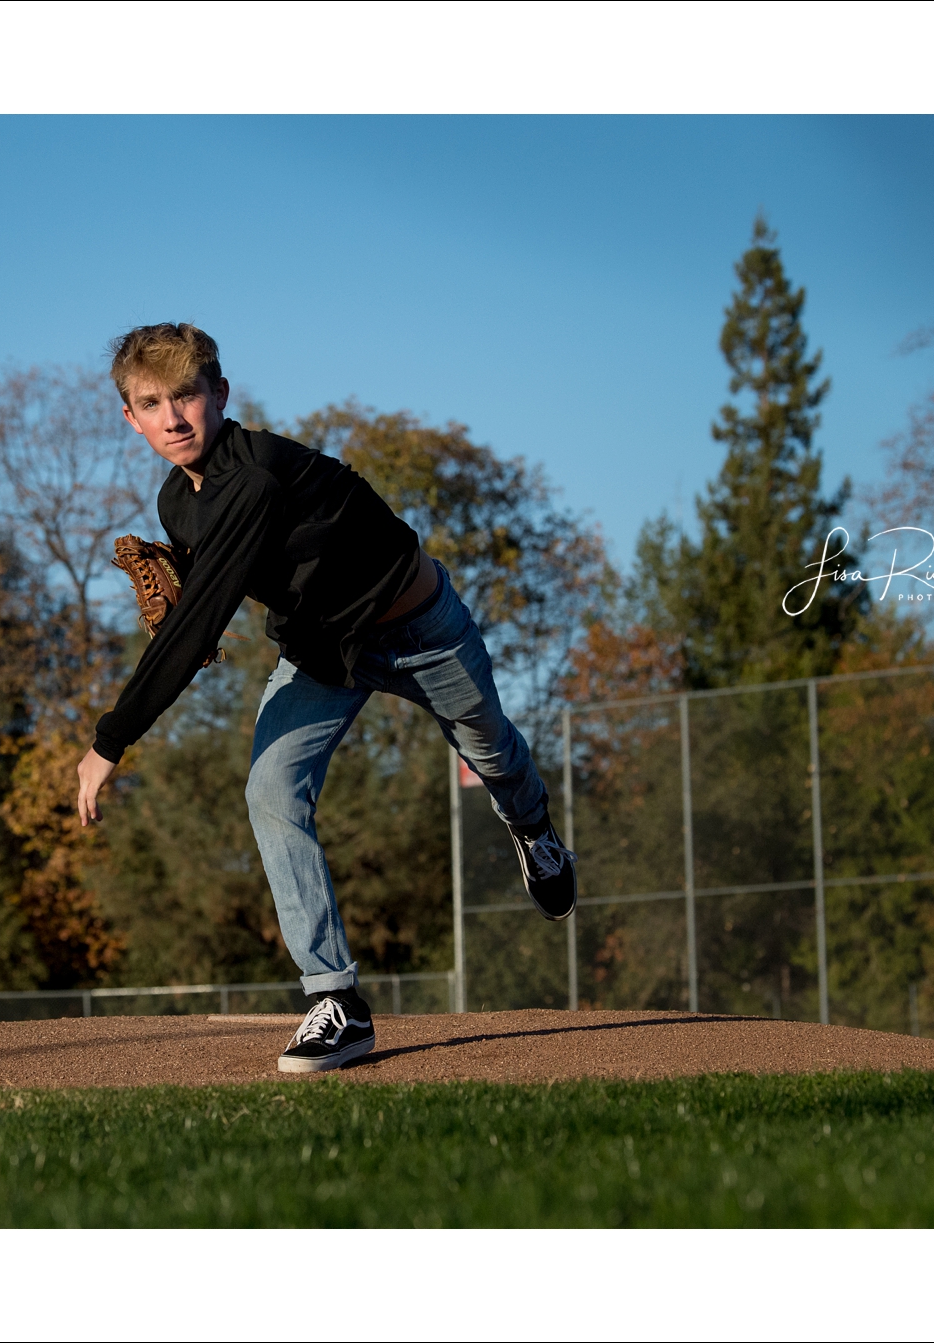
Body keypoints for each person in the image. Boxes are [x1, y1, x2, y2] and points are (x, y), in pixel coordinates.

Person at [76, 323, 575, 1072]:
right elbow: (212, 571)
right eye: (151, 402)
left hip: (421, 628)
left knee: (490, 748)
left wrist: (110, 737)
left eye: (186, 393)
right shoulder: (176, 505)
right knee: (271, 791)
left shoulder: (257, 475)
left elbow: (201, 616)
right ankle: (334, 999)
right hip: (323, 653)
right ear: (130, 416)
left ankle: (532, 824)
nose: (173, 416)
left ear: (220, 393)